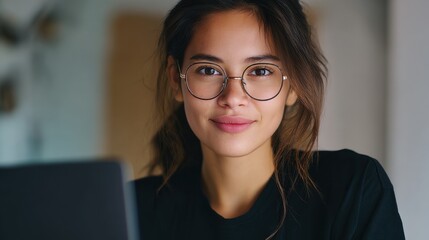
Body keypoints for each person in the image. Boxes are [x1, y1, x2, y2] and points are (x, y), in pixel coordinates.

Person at [133, 0, 405, 239]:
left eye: (261, 71)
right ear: (175, 79)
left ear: (294, 84)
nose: (233, 97)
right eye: (208, 70)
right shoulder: (131, 210)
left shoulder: (351, 191)